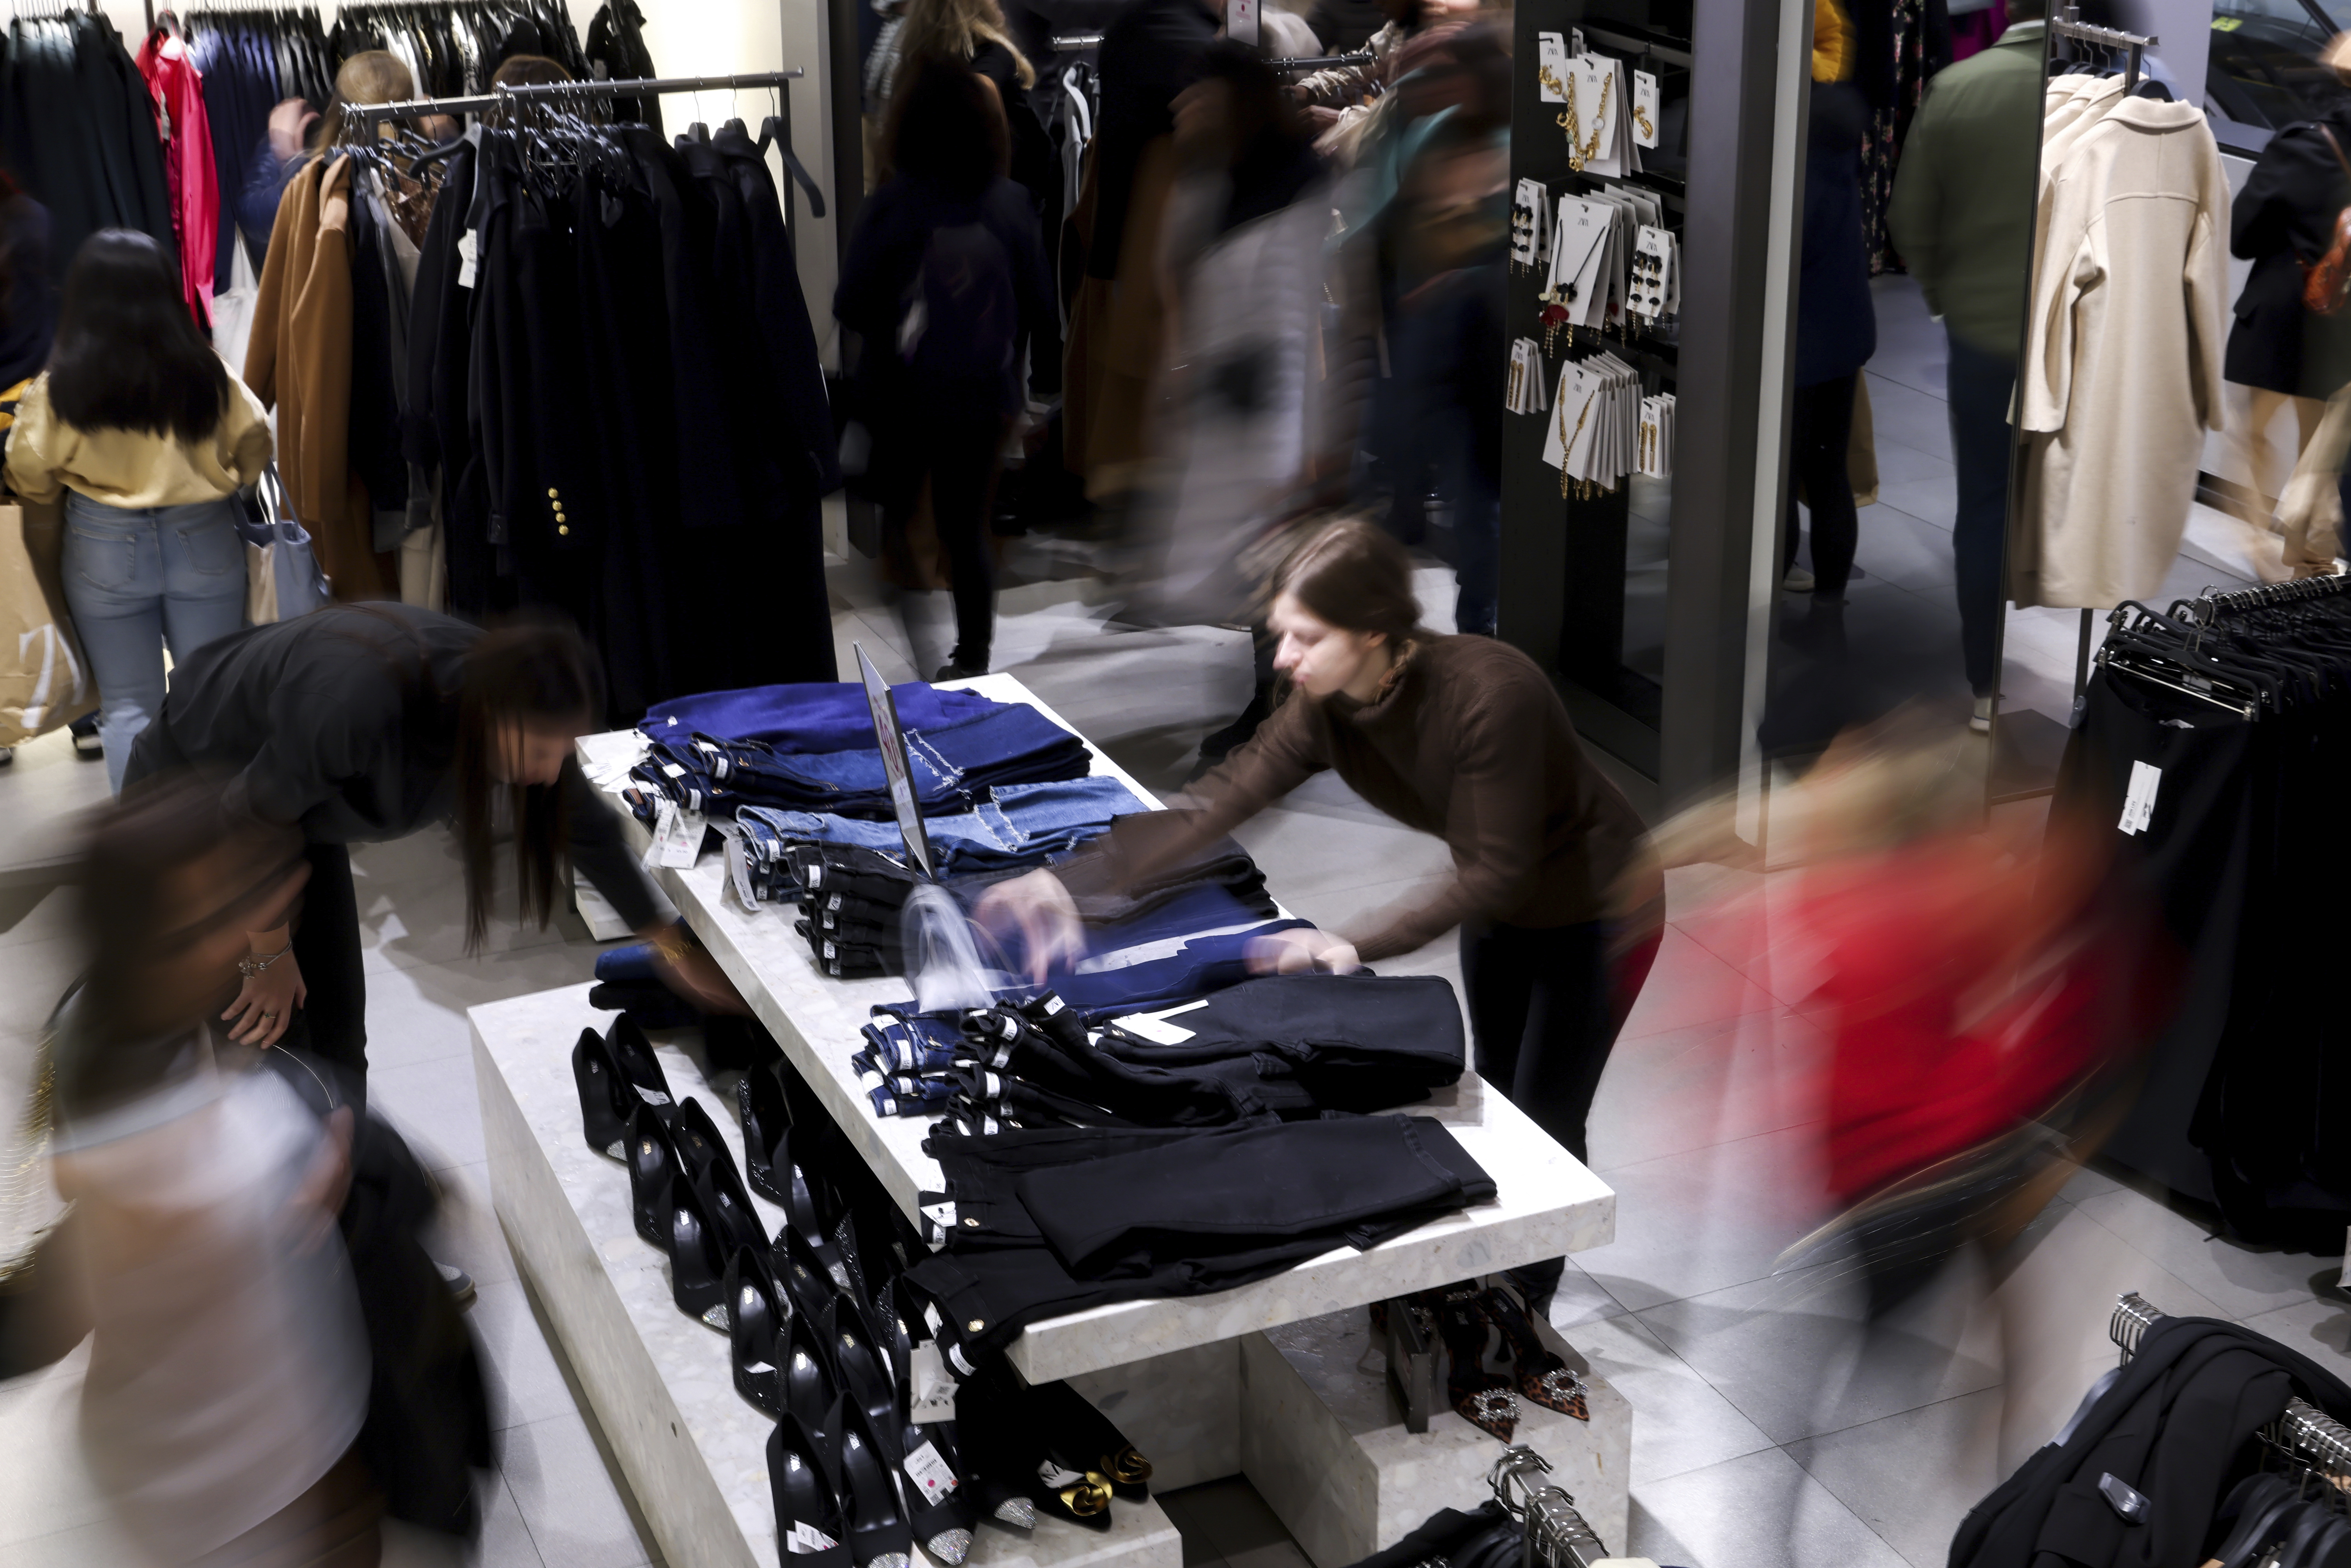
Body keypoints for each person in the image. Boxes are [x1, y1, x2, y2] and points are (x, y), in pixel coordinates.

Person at [980, 519, 1662, 1310]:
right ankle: (1485, 1283)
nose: (1283, 659)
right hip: (1507, 904)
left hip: (1602, 906)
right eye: (1281, 635)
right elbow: (1219, 800)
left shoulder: (1491, 691)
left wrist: (1350, 938)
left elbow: (1494, 870)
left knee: (1547, 1116)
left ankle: (1521, 1317)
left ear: (1375, 630)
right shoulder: (1326, 704)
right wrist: (1072, 883)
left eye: (1305, 636)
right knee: (1501, 1098)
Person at [119, 605, 742, 1094]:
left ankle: (358, 1233)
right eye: (542, 753)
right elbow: (247, 819)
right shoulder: (360, 699)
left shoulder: (512, 698)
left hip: (291, 823)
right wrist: (267, 952)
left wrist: (673, 947)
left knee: (338, 1042)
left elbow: (586, 829)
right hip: (198, 819)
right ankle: (293, 1234)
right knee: (269, 1045)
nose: (552, 773)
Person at [41, 775, 381, 1565]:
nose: (237, 936)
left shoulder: (111, 1025)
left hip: (252, 1435)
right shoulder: (179, 1152)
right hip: (236, 1477)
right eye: (205, 920)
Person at [3, 230, 270, 793]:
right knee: (213, 696)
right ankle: (225, 833)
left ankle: (149, 843)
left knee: (127, 706)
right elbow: (255, 444)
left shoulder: (59, 389)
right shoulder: (207, 373)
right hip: (203, 539)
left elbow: (29, 474)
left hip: (101, 546)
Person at [837, 57, 1054, 681]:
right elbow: (1042, 306)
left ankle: (924, 657)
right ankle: (973, 658)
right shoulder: (1012, 204)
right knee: (968, 531)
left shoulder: (892, 204)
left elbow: (850, 303)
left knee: (898, 532)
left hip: (900, 395)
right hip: (986, 396)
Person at [1887, 0, 2045, 731]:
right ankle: (2094, 674)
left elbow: (1909, 216)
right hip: (2076, 339)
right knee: (2070, 495)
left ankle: (1985, 682)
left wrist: (1946, 299)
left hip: (1984, 335)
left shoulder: (1959, 87)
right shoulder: (2115, 99)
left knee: (1983, 503)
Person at [1152, 42, 1330, 665]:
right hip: (1231, 401)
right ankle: (1270, 695)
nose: (1182, 105)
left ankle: (1276, 700)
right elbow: (1182, 282)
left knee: (1270, 558)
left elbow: (1299, 317)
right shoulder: (1217, 176)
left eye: (1199, 93)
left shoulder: (1292, 185)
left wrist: (1304, 440)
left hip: (1273, 405)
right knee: (1249, 560)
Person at [1782, 2, 1877, 627]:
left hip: (1791, 332)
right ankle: (1827, 606)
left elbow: (1794, 234)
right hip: (1842, 325)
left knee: (1774, 478)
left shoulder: (1791, 122)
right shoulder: (1842, 111)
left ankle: (1760, 601)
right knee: (1828, 470)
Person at [236, 51, 420, 259]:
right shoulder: (433, 168)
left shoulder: (322, 174)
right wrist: (449, 136)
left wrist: (278, 147)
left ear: (337, 107)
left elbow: (252, 214)